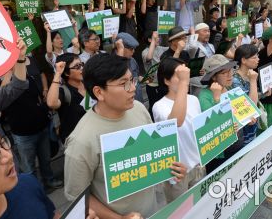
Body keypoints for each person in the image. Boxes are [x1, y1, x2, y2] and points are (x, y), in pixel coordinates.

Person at [64, 53, 186, 218]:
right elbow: (78, 198)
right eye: (124, 84)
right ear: (99, 92)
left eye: (132, 80)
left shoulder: (138, 108)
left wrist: (172, 169)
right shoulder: (82, 141)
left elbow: (151, 153)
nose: (133, 88)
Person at [0, 55, 63, 192]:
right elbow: (1, 99)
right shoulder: (6, 84)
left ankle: (50, 180)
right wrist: (9, 71)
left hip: (41, 126)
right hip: (23, 133)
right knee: (28, 167)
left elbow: (39, 98)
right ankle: (36, 190)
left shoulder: (30, 78)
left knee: (45, 160)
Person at [153, 58, 204, 203]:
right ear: (166, 81)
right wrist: (184, 84)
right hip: (177, 173)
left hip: (198, 166)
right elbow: (177, 122)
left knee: (199, 205)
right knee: (180, 211)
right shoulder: (159, 106)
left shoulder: (194, 99)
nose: (184, 78)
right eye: (179, 75)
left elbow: (199, 130)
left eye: (185, 73)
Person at [197, 54, 241, 173]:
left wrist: (248, 117)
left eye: (230, 70)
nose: (229, 74)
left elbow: (240, 110)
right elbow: (213, 124)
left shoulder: (230, 87)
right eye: (224, 73)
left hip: (236, 142)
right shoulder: (204, 95)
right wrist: (217, 99)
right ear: (214, 77)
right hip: (220, 151)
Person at [46, 53, 87, 143]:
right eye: (77, 66)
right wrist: (58, 74)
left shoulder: (89, 85)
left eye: (81, 64)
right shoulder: (64, 91)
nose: (81, 68)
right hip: (76, 141)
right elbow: (52, 103)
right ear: (66, 73)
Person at [232, 44, 265, 145]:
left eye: (257, 56)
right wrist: (253, 81)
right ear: (243, 60)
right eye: (254, 57)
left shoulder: (250, 74)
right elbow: (251, 106)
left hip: (252, 122)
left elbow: (253, 95)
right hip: (243, 126)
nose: (258, 59)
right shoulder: (235, 80)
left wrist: (264, 94)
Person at [142, 31, 168, 116]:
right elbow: (149, 57)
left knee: (162, 106)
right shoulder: (145, 51)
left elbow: (171, 48)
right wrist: (153, 40)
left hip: (161, 82)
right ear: (150, 39)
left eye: (158, 37)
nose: (159, 39)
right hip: (151, 84)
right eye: (156, 37)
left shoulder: (160, 48)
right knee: (153, 106)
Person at [114, 33, 143, 102]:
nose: (133, 51)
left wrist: (140, 78)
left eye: (134, 49)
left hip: (137, 99)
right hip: (125, 102)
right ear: (121, 47)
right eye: (131, 49)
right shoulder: (112, 63)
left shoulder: (132, 60)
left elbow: (135, 76)